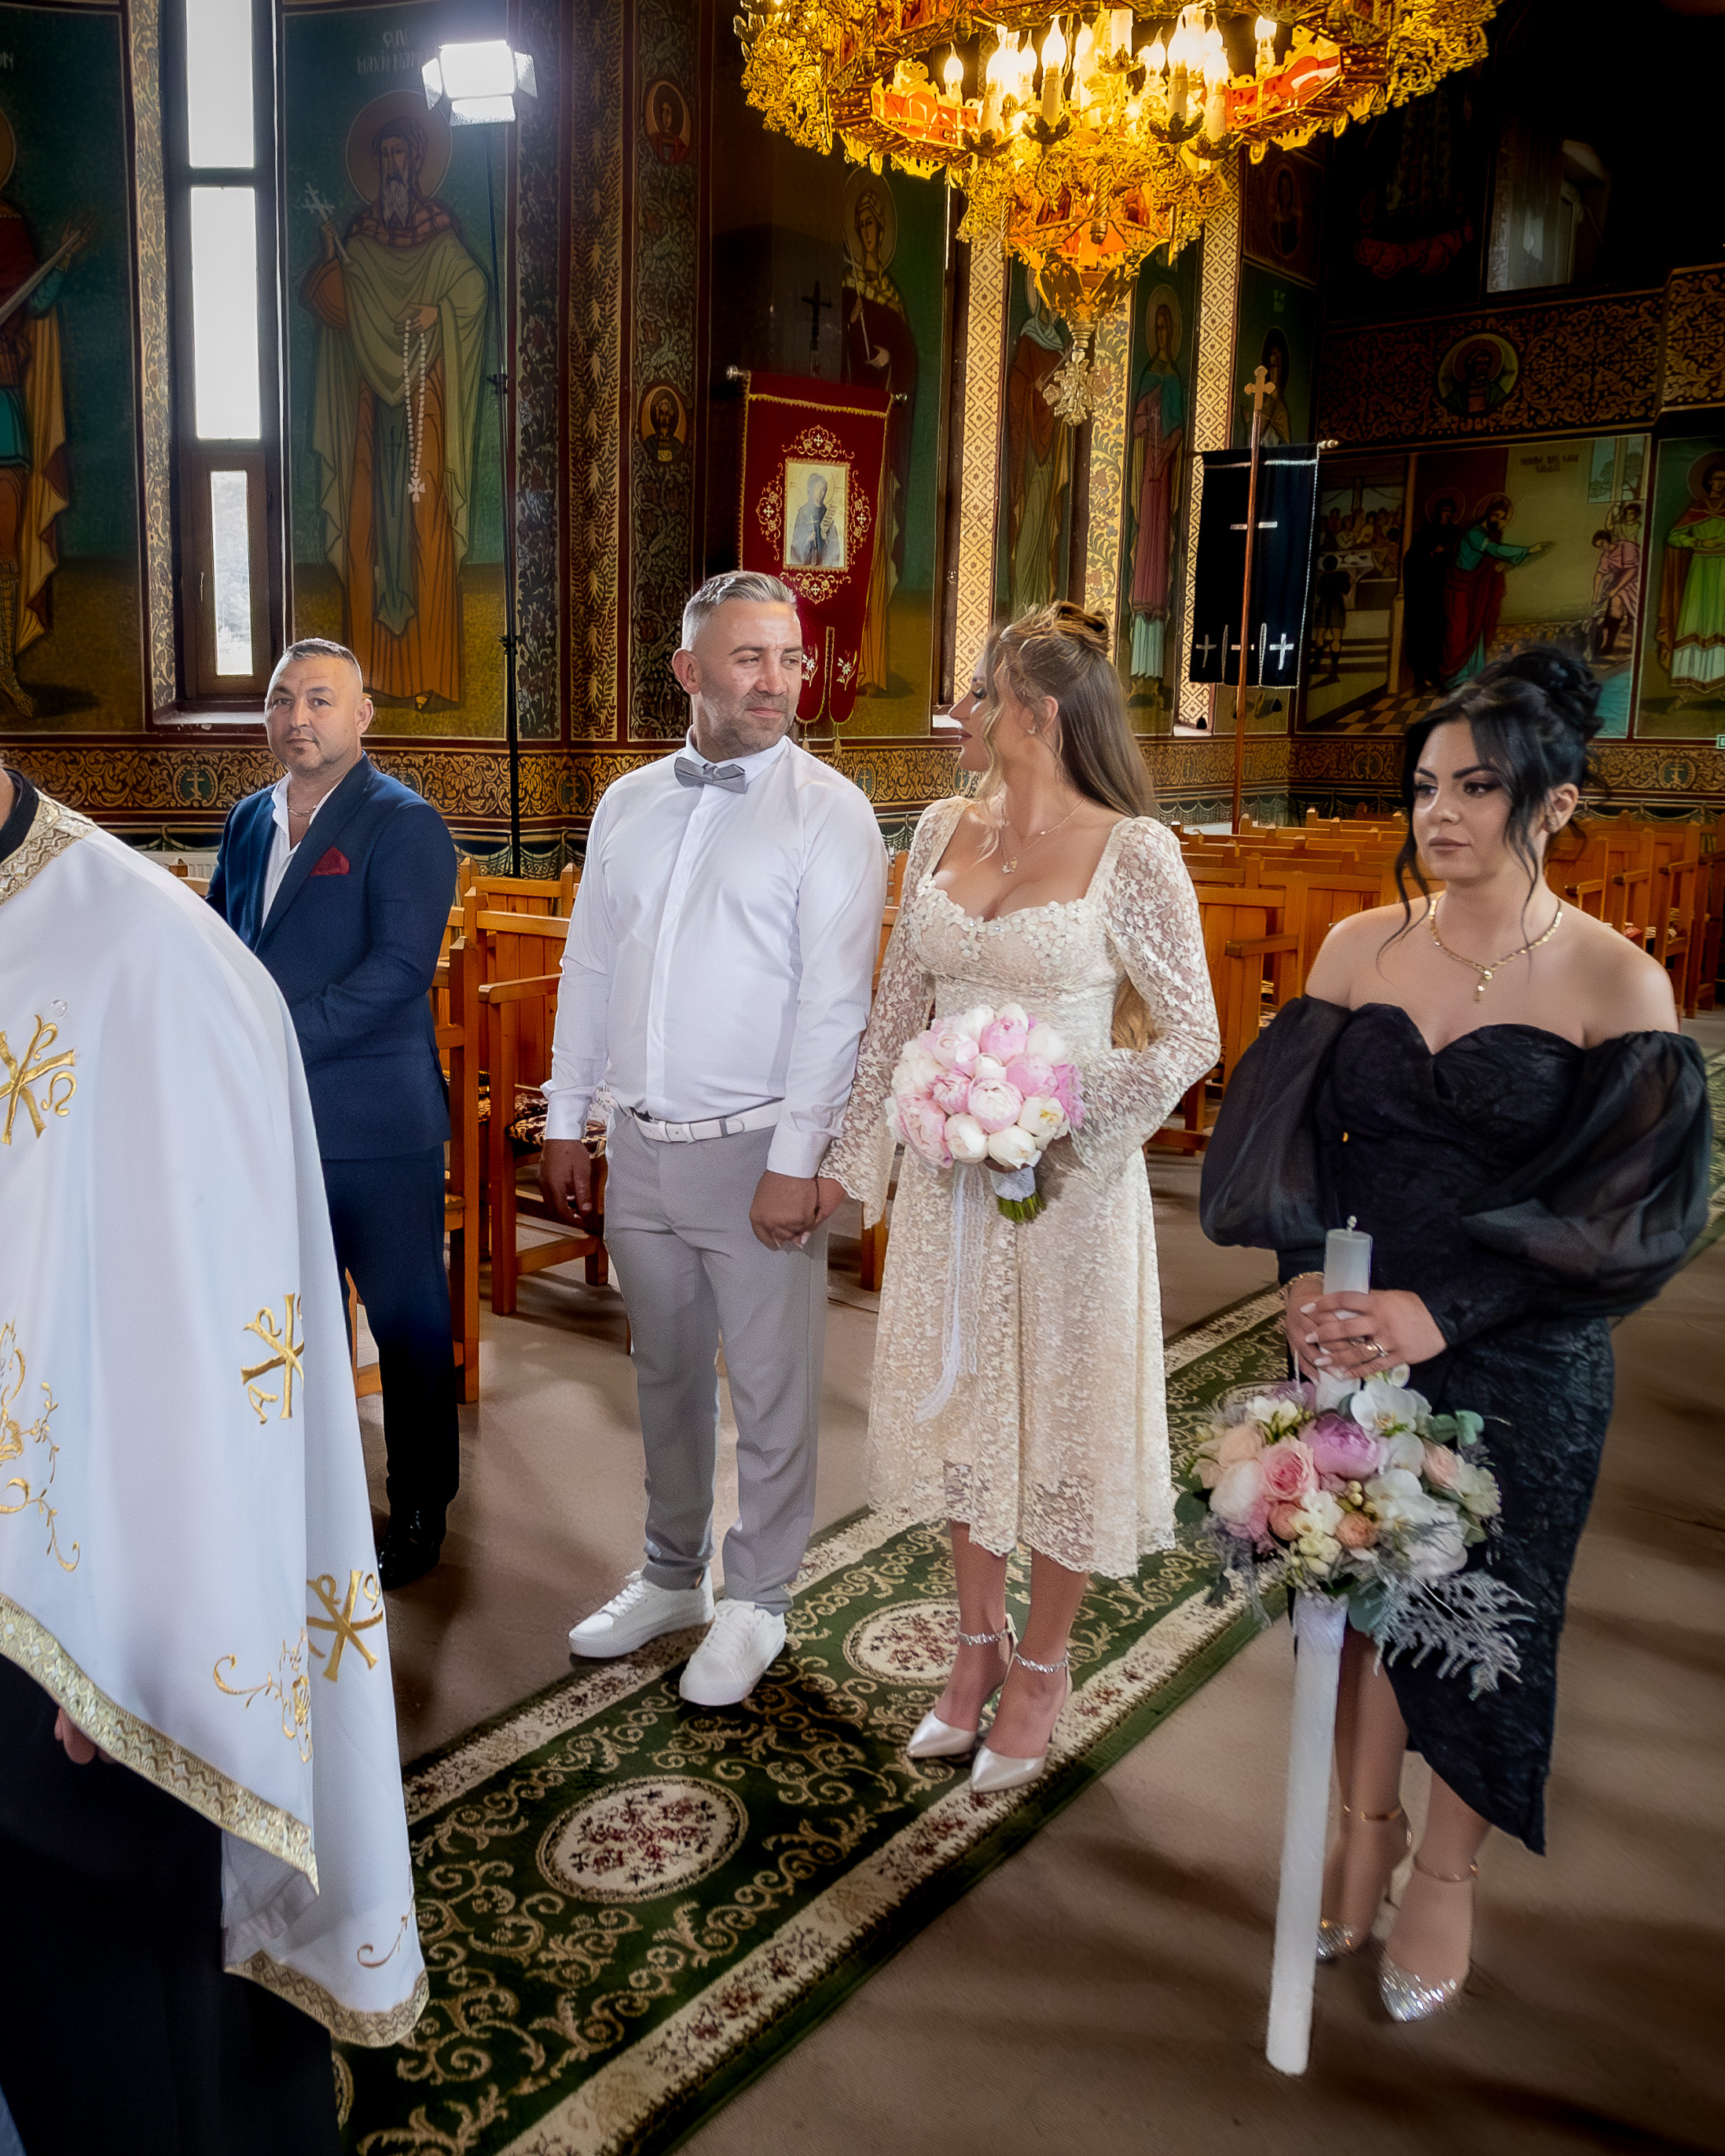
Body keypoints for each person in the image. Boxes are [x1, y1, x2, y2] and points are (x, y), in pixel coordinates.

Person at [1199, 647, 1709, 2021]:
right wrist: (1303, 1277)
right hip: (1354, 1324)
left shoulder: (1617, 982)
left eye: (1477, 787)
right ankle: (1362, 1835)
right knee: (1355, 1588)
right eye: (1426, 785)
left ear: (1554, 803)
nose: (1441, 811)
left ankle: (1445, 1873)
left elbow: (1623, 1221)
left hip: (1520, 1345)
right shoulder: (1357, 946)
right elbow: (1293, 1140)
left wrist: (1445, 1312)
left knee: (1487, 1609)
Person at [0, 761, 425, 2151]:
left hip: (74, 1644)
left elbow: (235, 1340)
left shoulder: (146, 957)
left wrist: (155, 1635)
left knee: (126, 2050)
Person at [825, 604, 1220, 1794]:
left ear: (1035, 715)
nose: (958, 713)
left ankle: (1041, 1667)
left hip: (1069, 1192)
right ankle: (973, 1648)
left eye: (977, 694)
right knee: (964, 1411)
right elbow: (897, 1009)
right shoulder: (940, 826)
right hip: (949, 1184)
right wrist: (860, 1164)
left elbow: (1189, 1032)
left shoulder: (1134, 851)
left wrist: (1054, 1121)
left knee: (1060, 1416)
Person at [540, 571, 886, 1707]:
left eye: (789, 658)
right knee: (666, 1373)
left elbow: (836, 1004)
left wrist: (798, 1161)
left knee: (773, 1390)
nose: (776, 681)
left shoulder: (828, 811)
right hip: (639, 1145)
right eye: (749, 658)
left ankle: (758, 1601)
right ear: (689, 671)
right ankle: (671, 1573)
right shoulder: (627, 802)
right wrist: (568, 1116)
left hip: (756, 1150)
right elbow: (590, 965)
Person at [208, 637, 459, 1590]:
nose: (297, 716)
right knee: (282, 1316)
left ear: (362, 715)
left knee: (406, 1321)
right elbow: (223, 942)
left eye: (319, 699)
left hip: (374, 1124)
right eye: (281, 699)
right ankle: (291, 1491)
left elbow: (397, 973)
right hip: (265, 1121)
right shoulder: (247, 818)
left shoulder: (404, 822)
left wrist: (270, 1036)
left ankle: (422, 1503)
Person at [301, 113, 488, 708]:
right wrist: (333, 264)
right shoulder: (358, 238)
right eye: (382, 155)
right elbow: (333, 307)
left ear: (417, 160)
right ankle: (371, 678)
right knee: (369, 530)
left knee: (424, 527)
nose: (391, 165)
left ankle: (431, 676)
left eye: (399, 153)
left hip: (423, 403)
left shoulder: (439, 231)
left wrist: (438, 311)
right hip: (368, 413)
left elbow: (474, 291)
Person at [1440, 494, 1548, 687]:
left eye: (1502, 518)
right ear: (1488, 514)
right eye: (1496, 516)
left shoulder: (1485, 534)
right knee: (1458, 635)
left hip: (1471, 590)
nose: (1498, 520)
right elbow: (1495, 550)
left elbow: (1489, 559)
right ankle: (1454, 678)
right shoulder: (1476, 534)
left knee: (1474, 631)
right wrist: (1527, 550)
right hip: (1459, 590)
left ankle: (1472, 674)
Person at [789, 471, 835, 566]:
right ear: (811, 489)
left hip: (824, 565)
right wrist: (807, 539)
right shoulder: (803, 513)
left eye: (824, 489)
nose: (821, 492)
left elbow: (835, 546)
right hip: (807, 564)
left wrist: (827, 540)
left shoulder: (827, 514)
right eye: (818, 488)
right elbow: (795, 545)